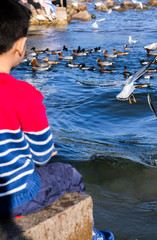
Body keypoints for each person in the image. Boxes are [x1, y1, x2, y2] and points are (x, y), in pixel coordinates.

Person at [0, 1, 113, 239]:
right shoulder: (25, 95)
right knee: (67, 174)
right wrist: (46, 151)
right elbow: (41, 155)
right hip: (15, 198)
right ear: (20, 46)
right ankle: (93, 235)